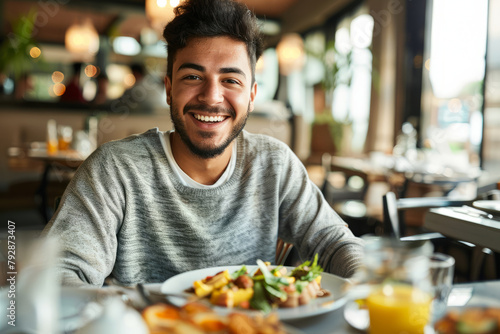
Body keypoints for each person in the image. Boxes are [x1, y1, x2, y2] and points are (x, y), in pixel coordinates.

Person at [43, 0, 364, 287]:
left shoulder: (274, 164)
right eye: (193, 77)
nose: (211, 97)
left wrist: (370, 285)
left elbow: (334, 242)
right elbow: (58, 274)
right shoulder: (115, 170)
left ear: (252, 95)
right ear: (169, 89)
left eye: (230, 80)